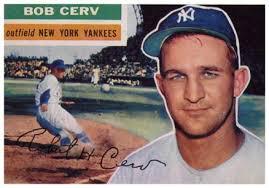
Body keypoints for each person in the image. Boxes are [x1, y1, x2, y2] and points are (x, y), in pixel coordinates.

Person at [108, 5, 264, 183]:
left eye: (209, 74)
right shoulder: (134, 174)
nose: (193, 95)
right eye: (178, 76)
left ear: (238, 82)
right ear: (161, 86)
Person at [35, 59, 94, 154]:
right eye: (61, 70)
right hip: (45, 110)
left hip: (55, 108)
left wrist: (63, 102)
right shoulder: (50, 79)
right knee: (63, 132)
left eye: (63, 70)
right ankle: (67, 150)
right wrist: (44, 103)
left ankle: (90, 146)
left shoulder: (52, 79)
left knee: (75, 126)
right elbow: (45, 94)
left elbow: (50, 95)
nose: (63, 72)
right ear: (54, 69)